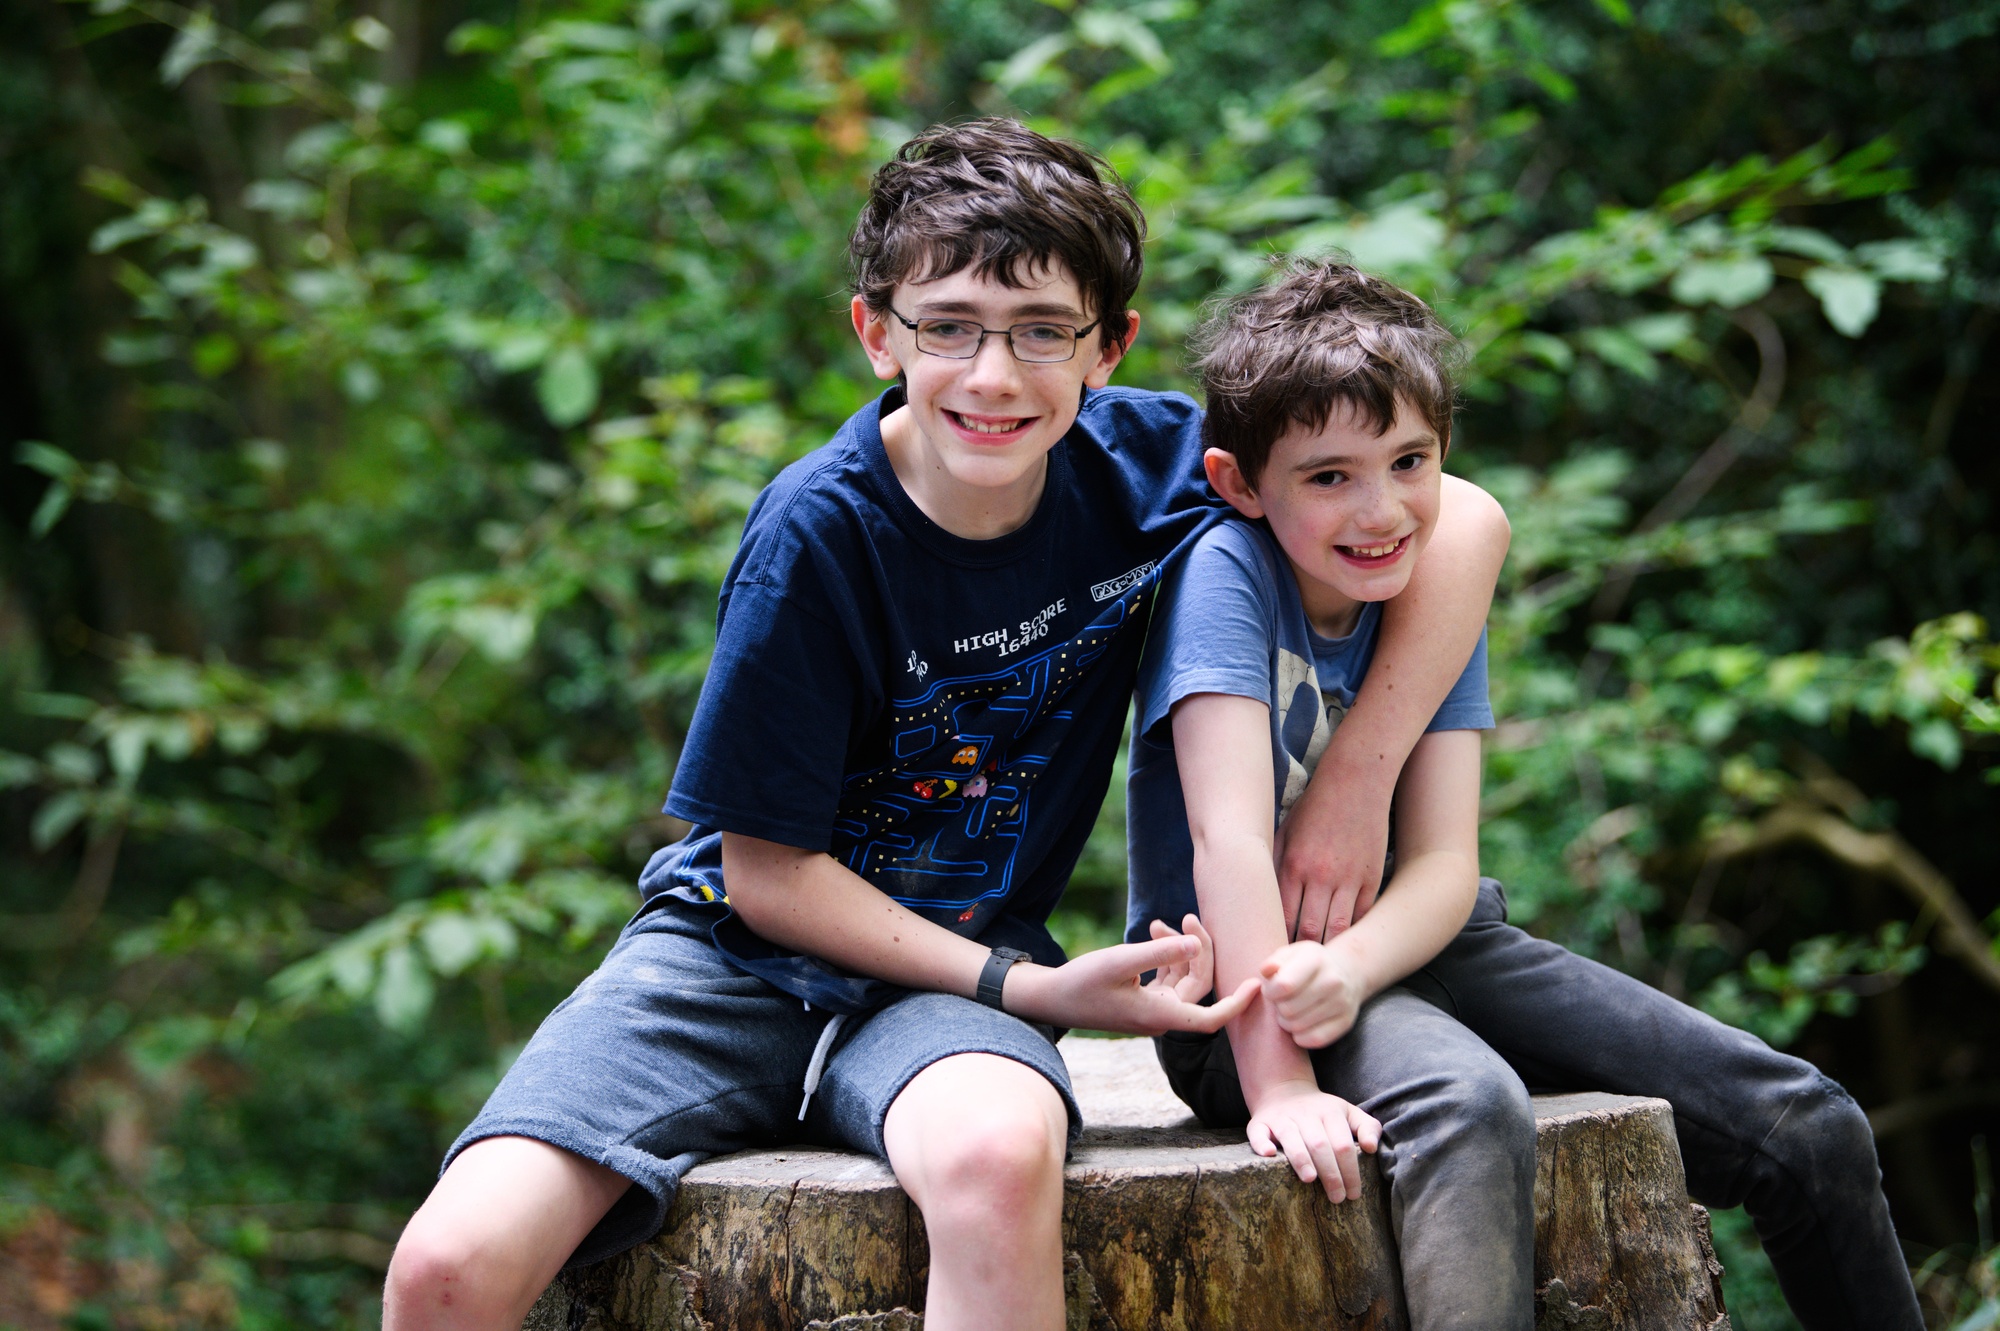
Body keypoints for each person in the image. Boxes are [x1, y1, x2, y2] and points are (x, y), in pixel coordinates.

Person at [380, 122, 1510, 1331]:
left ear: (1108, 346)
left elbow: (1464, 517)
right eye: (949, 327)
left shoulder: (1152, 468)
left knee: (994, 1161)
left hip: (950, 979)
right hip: (724, 964)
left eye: (1041, 331)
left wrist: (1354, 774)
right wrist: (1030, 986)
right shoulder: (815, 535)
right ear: (877, 333)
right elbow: (765, 876)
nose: (994, 376)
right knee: (447, 1262)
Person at [1126, 257, 1924, 1330]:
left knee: (1806, 1123)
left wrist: (1355, 962)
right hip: (1244, 996)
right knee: (1469, 1103)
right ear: (1239, 483)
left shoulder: (1418, 589)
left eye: (1409, 461)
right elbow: (1226, 841)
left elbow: (1444, 864)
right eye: (1328, 477)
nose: (1380, 508)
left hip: (1421, 944)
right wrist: (1279, 1079)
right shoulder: (1227, 574)